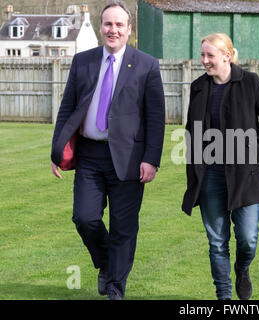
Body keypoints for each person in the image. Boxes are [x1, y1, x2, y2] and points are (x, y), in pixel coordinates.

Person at [50, 0, 165, 300]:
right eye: (108, 24)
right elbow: (67, 109)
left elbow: (156, 117)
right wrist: (57, 149)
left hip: (128, 160)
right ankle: (106, 263)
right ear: (101, 28)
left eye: (118, 25)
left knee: (124, 227)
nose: (112, 30)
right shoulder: (83, 61)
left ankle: (115, 287)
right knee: (85, 217)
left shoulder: (147, 65)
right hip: (90, 155)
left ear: (129, 30)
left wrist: (151, 159)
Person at [182, 33, 259, 300]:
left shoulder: (250, 83)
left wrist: (254, 151)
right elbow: (192, 131)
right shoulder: (198, 87)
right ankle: (223, 297)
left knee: (248, 239)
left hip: (245, 176)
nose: (204, 61)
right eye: (202, 55)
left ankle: (243, 268)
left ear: (226, 55)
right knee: (217, 242)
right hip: (211, 176)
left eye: (209, 55)